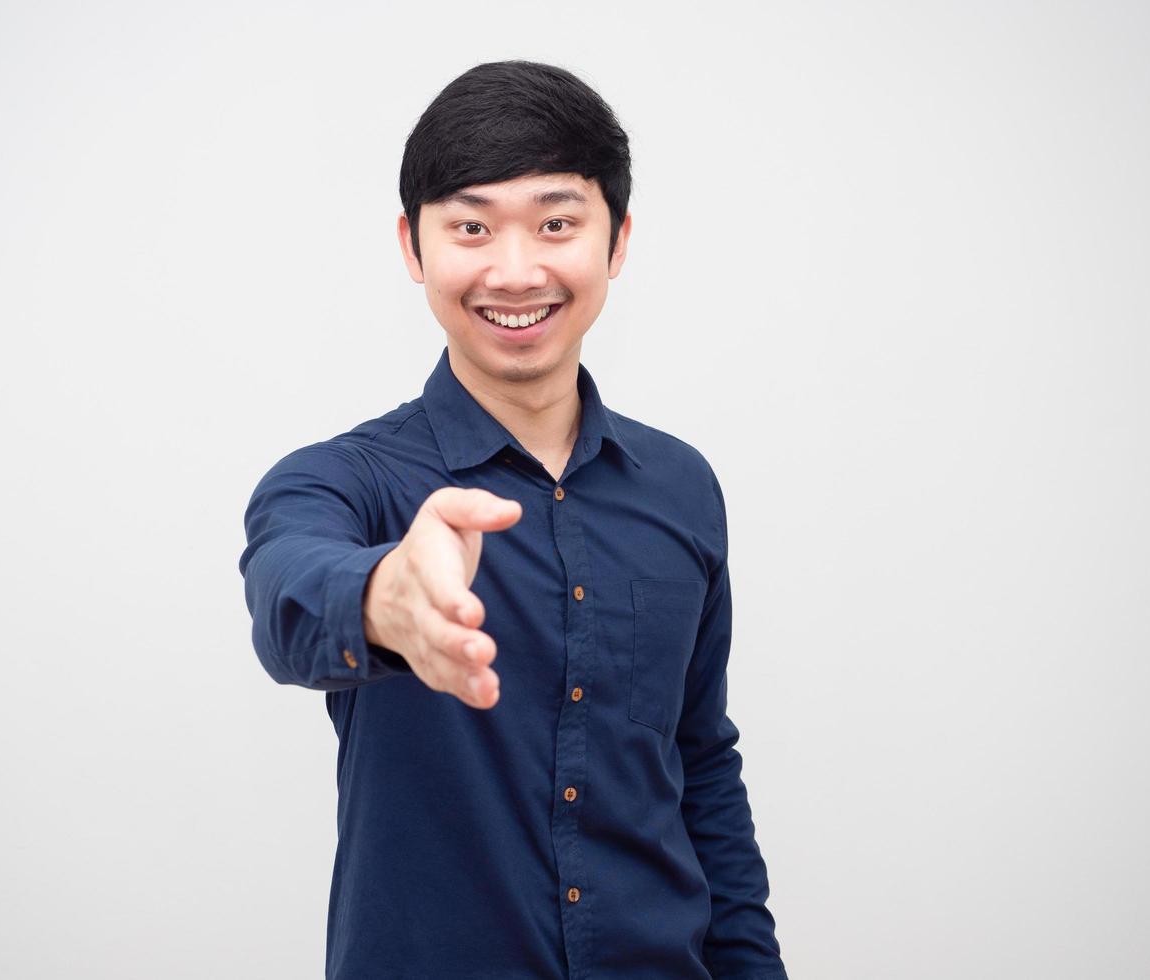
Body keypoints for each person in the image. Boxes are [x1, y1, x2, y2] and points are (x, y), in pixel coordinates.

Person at [238, 59, 788, 980]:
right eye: (471, 227)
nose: (516, 269)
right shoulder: (342, 480)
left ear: (615, 243)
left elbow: (699, 768)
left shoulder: (681, 487)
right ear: (414, 249)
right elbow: (288, 594)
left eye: (557, 222)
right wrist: (388, 600)